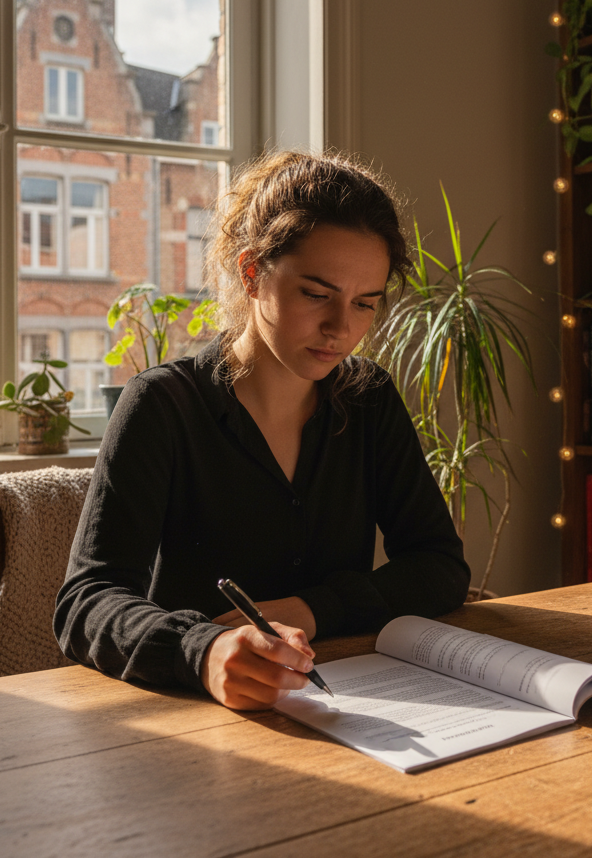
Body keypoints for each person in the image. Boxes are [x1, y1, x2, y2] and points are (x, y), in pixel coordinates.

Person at [55, 151, 471, 710]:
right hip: (192, 717)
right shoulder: (161, 406)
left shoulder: (369, 399)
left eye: (366, 303)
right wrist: (203, 651)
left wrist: (315, 607)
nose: (341, 329)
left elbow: (440, 567)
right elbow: (86, 601)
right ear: (252, 273)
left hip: (349, 704)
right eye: (317, 294)